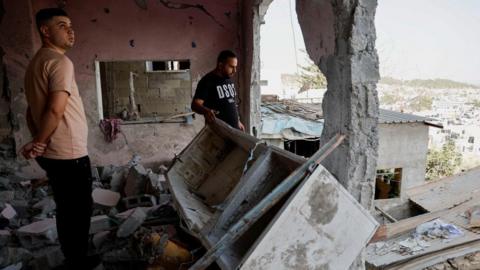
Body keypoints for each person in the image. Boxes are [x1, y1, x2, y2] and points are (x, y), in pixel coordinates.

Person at [21, 8, 98, 269]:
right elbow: (55, 108)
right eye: (62, 25)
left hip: (54, 154)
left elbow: (30, 110)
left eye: (71, 25)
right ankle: (78, 261)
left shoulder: (36, 63)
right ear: (45, 31)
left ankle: (72, 257)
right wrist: (39, 140)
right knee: (79, 212)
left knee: (67, 210)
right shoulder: (60, 62)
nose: (70, 30)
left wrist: (37, 140)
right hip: (69, 153)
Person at [191, 50, 245, 131]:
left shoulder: (229, 79)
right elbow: (195, 105)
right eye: (231, 67)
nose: (235, 71)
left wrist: (238, 121)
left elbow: (231, 102)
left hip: (234, 131)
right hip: (217, 133)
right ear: (220, 65)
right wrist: (206, 111)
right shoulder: (207, 81)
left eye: (235, 67)